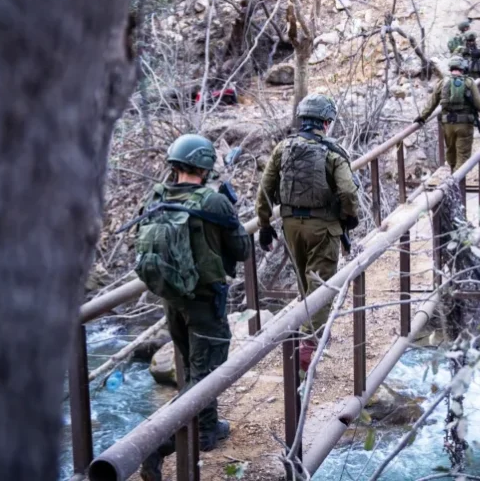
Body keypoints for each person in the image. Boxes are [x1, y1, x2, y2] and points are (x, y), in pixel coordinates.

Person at [134, 134, 251, 481]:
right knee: (205, 377)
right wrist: (232, 213)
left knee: (194, 368)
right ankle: (156, 445)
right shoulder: (212, 202)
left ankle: (206, 430)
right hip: (205, 302)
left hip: (172, 299)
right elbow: (241, 249)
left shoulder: (157, 196)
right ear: (204, 166)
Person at [255, 94, 360, 375]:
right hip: (323, 226)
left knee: (304, 280)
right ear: (326, 122)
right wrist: (350, 218)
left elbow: (265, 189)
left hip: (290, 225)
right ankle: (309, 349)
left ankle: (308, 334)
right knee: (321, 285)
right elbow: (348, 191)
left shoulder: (283, 148)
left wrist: (265, 225)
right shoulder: (333, 152)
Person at [413, 57, 480, 172]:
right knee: (463, 155)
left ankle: (452, 174)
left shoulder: (442, 82)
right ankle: (457, 181)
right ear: (463, 68)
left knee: (451, 151)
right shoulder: (469, 82)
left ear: (451, 68)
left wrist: (422, 116)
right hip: (465, 125)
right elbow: (479, 102)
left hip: (448, 125)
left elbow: (432, 103)